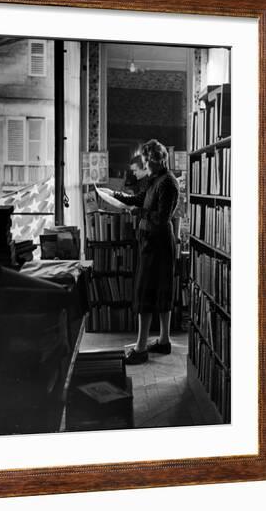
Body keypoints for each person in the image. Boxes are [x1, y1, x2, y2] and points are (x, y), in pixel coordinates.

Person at [104, 139, 180, 364]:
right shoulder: (156, 179)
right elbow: (139, 200)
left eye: (146, 161)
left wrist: (138, 212)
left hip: (158, 242)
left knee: (148, 291)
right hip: (151, 241)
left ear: (155, 160)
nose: (144, 165)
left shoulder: (168, 183)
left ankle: (141, 348)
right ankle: (163, 341)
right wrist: (115, 195)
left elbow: (160, 217)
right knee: (155, 290)